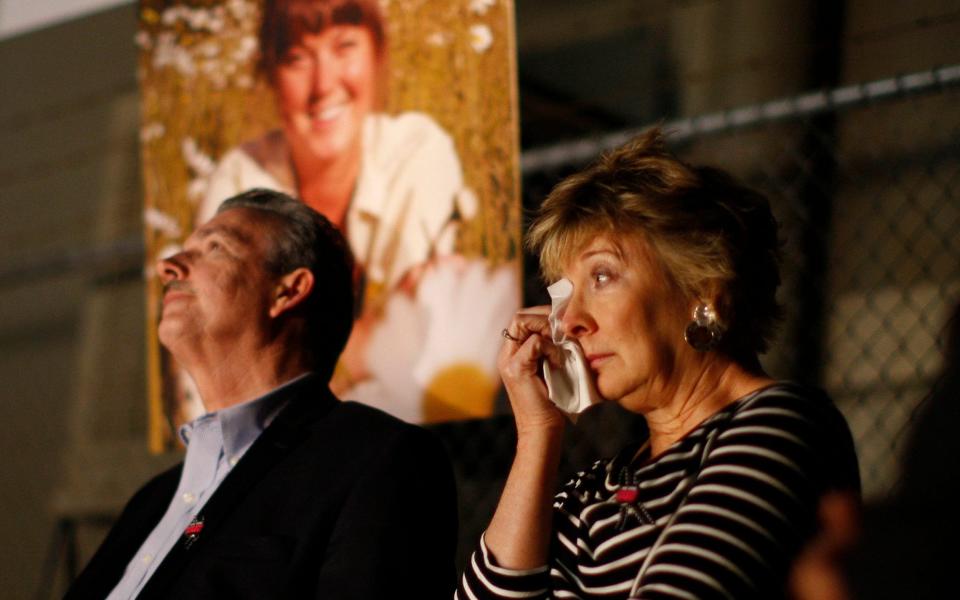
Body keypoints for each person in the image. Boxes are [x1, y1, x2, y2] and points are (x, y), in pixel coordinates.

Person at [458, 129, 860, 599]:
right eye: (562, 294)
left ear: (702, 289)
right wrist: (537, 432)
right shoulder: (596, 485)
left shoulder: (782, 424)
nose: (566, 322)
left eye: (602, 276)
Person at [66, 189, 458, 599]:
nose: (168, 266)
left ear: (287, 291)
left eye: (214, 247)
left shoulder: (376, 459)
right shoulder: (153, 499)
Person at [192, 0, 511, 422]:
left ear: (378, 56)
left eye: (345, 47)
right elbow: (216, 377)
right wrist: (364, 345)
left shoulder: (417, 151)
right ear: (270, 76)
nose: (324, 84)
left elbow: (416, 340)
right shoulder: (236, 181)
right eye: (297, 58)